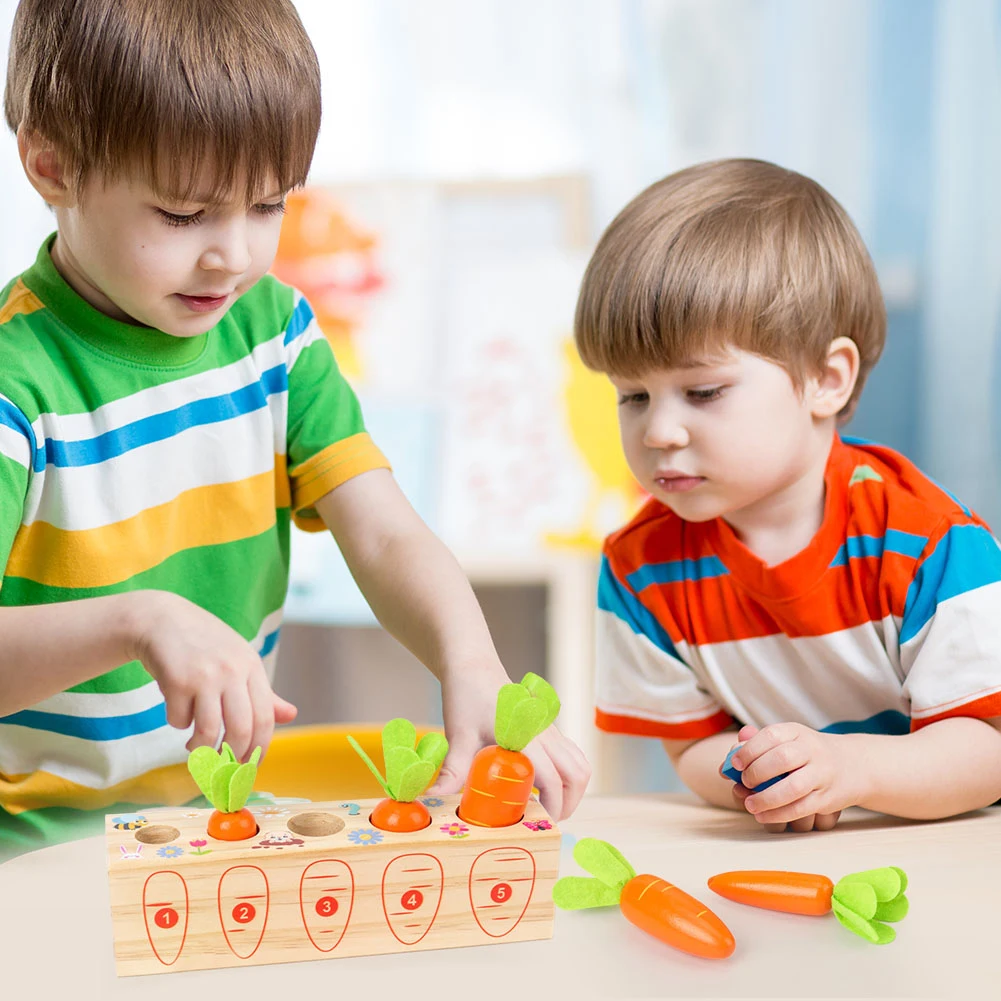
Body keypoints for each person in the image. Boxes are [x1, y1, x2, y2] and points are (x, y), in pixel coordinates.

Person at [0, 0, 589, 857]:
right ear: (52, 165)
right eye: (182, 214)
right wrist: (139, 621)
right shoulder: (17, 383)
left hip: (217, 822)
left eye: (268, 205)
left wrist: (473, 664)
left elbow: (382, 532)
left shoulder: (273, 333)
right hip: (33, 848)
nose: (233, 254)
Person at [583, 158, 1001, 833]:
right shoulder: (640, 567)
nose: (658, 430)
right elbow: (692, 747)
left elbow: (988, 750)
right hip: (798, 860)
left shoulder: (929, 543)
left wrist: (851, 769)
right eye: (632, 394)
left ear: (824, 380)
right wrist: (770, 783)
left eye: (702, 391)